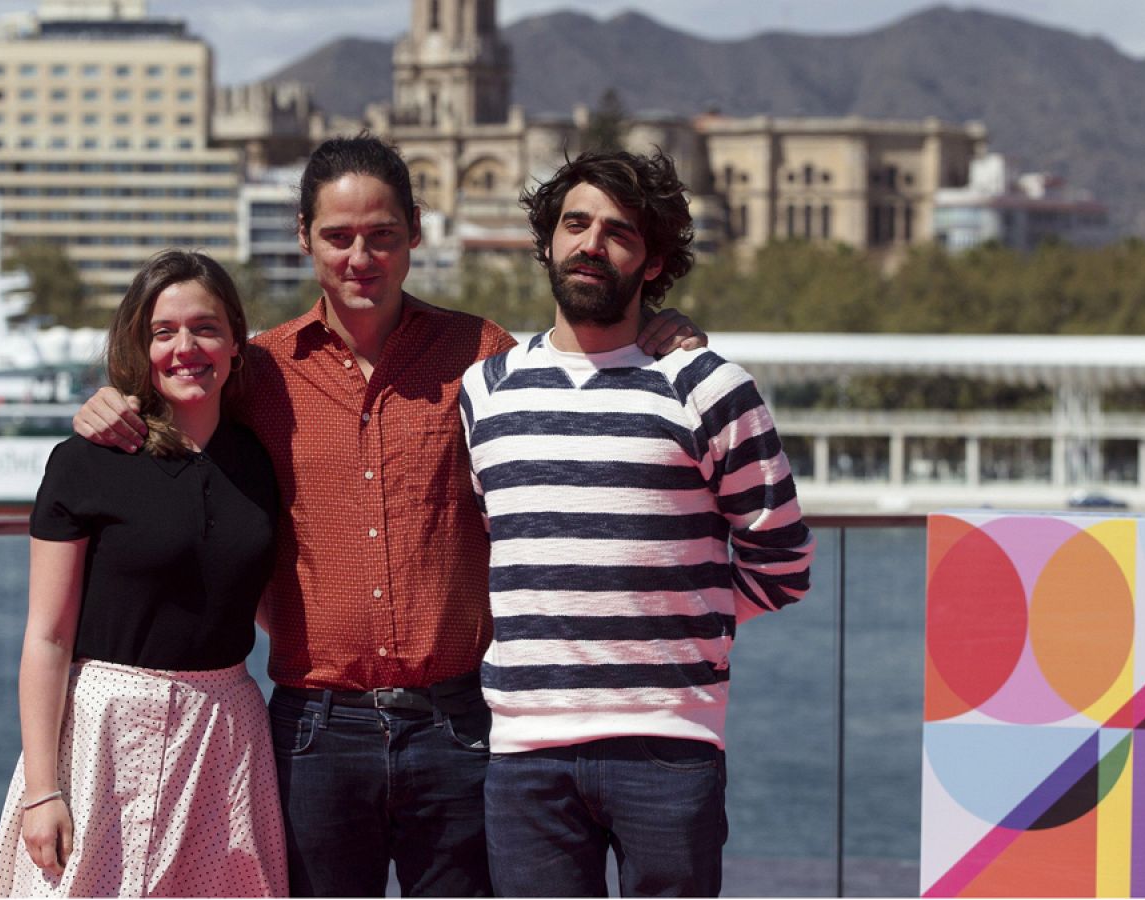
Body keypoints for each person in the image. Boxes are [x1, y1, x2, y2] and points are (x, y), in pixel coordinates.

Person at [72, 134, 707, 897]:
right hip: (313, 731)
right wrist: (115, 403)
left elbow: (581, 382)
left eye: (381, 236)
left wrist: (662, 332)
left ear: (414, 231)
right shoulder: (259, 372)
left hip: (461, 725)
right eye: (338, 238)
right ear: (304, 237)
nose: (359, 258)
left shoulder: (483, 355)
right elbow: (179, 408)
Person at [457, 148, 815, 897]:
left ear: (653, 262)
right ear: (548, 241)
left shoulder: (709, 386)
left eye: (619, 232)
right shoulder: (484, 393)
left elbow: (783, 564)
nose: (591, 243)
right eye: (575, 223)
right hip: (526, 752)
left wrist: (681, 621)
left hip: (670, 747)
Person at [0, 250, 287, 897]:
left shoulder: (260, 461)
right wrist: (43, 791)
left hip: (227, 736)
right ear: (138, 345)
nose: (186, 347)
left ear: (235, 340)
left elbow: (263, 602)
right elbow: (46, 637)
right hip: (103, 737)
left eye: (205, 328)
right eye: (163, 331)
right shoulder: (87, 462)